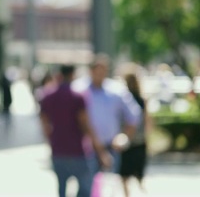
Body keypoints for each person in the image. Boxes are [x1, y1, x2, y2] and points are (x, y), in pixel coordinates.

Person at [40, 64, 112, 197]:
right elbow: (86, 125)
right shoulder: (78, 96)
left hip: (58, 150)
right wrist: (100, 150)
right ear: (72, 75)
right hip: (78, 151)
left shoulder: (47, 96)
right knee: (84, 189)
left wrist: (51, 141)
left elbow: (45, 125)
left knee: (62, 189)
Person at [74, 54, 142, 188]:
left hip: (111, 147)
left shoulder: (116, 90)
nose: (99, 73)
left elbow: (134, 115)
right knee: (86, 188)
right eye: (96, 70)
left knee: (108, 188)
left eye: (103, 70)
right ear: (91, 70)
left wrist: (124, 136)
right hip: (86, 149)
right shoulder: (79, 89)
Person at [119, 65, 150, 197]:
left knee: (125, 173)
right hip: (139, 138)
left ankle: (128, 194)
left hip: (126, 138)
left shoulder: (124, 98)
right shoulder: (141, 98)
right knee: (138, 171)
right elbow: (148, 120)